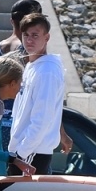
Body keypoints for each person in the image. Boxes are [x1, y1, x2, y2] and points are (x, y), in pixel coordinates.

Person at [7, 13, 64, 176]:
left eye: (35, 35)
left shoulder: (47, 71)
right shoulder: (33, 66)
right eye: (26, 35)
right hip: (23, 150)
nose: (29, 40)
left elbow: (43, 117)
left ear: (46, 38)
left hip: (32, 152)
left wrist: (23, 152)